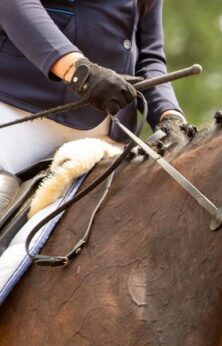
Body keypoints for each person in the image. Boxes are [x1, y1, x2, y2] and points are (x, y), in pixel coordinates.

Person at [0, 0, 186, 213]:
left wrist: (169, 115)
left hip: (107, 137)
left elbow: (148, 56)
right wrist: (81, 74)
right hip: (20, 113)